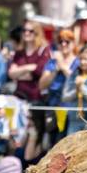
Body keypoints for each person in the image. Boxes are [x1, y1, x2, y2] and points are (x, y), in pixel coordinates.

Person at [8, 20, 50, 153]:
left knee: (34, 134)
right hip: (19, 97)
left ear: (37, 33)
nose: (26, 33)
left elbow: (38, 72)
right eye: (24, 30)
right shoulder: (19, 52)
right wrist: (28, 68)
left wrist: (20, 71)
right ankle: (18, 163)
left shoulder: (43, 50)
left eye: (30, 31)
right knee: (17, 133)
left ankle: (31, 164)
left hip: (36, 98)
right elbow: (11, 74)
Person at [39, 28, 79, 144]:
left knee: (68, 143)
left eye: (67, 41)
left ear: (73, 43)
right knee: (53, 142)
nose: (63, 44)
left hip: (71, 108)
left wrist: (63, 66)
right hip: (53, 106)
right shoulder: (52, 63)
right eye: (60, 41)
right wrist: (55, 70)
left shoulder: (78, 62)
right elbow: (42, 85)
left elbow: (76, 82)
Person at [61, 45, 87, 136]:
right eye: (80, 59)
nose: (82, 62)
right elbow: (64, 97)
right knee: (72, 148)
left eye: (86, 59)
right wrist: (76, 90)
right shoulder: (73, 76)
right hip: (74, 120)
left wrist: (82, 88)